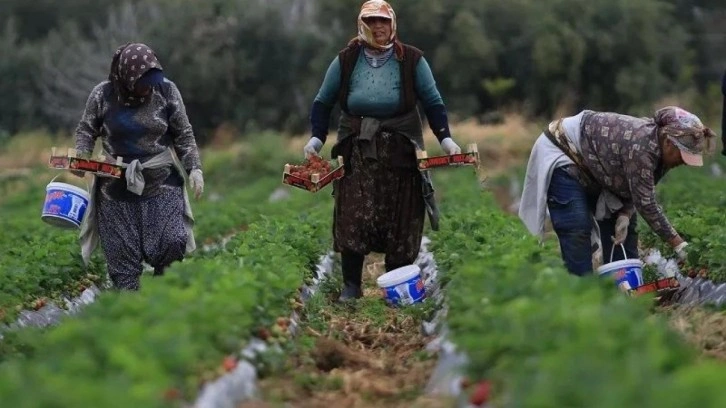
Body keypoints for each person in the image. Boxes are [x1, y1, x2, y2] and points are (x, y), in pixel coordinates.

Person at [304, 0, 462, 301]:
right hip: (357, 150)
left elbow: (433, 102)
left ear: (393, 25)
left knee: (400, 217)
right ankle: (352, 286)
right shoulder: (347, 59)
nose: (378, 27)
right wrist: (316, 138)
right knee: (353, 213)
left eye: (383, 22)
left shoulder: (412, 59)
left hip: (401, 150)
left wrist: (446, 140)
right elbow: (322, 102)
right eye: (371, 21)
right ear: (361, 25)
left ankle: (396, 285)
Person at [519, 106, 716, 276]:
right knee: (577, 226)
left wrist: (624, 214)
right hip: (564, 150)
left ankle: (623, 291)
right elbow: (646, 203)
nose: (682, 162)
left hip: (598, 167)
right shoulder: (642, 147)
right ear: (668, 142)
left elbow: (636, 189)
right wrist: (678, 244)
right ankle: (581, 294)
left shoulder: (662, 157)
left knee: (626, 230)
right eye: (682, 156)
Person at [72, 42, 204, 290]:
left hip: (161, 182)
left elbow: (183, 134)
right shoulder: (103, 95)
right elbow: (86, 130)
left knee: (173, 240)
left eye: (152, 80)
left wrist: (194, 168)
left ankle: (162, 296)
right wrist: (82, 156)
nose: (148, 87)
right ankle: (131, 313)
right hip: (115, 189)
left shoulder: (166, 91)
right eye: (143, 82)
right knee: (122, 262)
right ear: (127, 77)